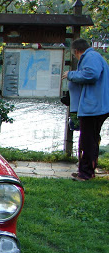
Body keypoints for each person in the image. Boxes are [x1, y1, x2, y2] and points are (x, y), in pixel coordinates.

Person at [62, 38, 109, 181]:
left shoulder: (90, 57)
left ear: (76, 51)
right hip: (96, 106)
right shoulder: (95, 56)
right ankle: (88, 170)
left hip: (93, 107)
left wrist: (70, 75)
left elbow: (91, 75)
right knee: (91, 139)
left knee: (87, 140)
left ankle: (85, 173)